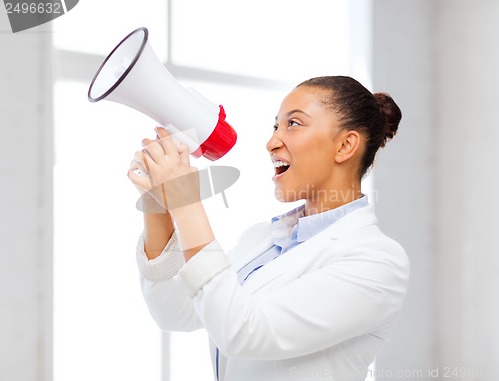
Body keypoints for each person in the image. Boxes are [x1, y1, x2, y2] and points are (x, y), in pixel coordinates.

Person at [127, 76, 410, 381]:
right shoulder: (262, 239)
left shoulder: (378, 261)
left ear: (344, 145)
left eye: (294, 124)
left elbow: (242, 332)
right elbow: (174, 311)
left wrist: (184, 199)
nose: (272, 142)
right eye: (276, 126)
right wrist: (158, 203)